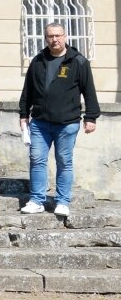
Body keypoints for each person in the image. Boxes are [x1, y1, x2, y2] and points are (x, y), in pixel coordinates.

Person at [19, 23, 99, 217]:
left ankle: (62, 201)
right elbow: (27, 91)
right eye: (50, 36)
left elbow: (89, 91)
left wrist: (91, 117)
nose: (54, 39)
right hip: (39, 122)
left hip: (68, 123)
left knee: (64, 161)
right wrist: (23, 115)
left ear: (65, 36)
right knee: (37, 159)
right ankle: (37, 200)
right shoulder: (37, 61)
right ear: (45, 38)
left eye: (58, 35)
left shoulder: (78, 61)